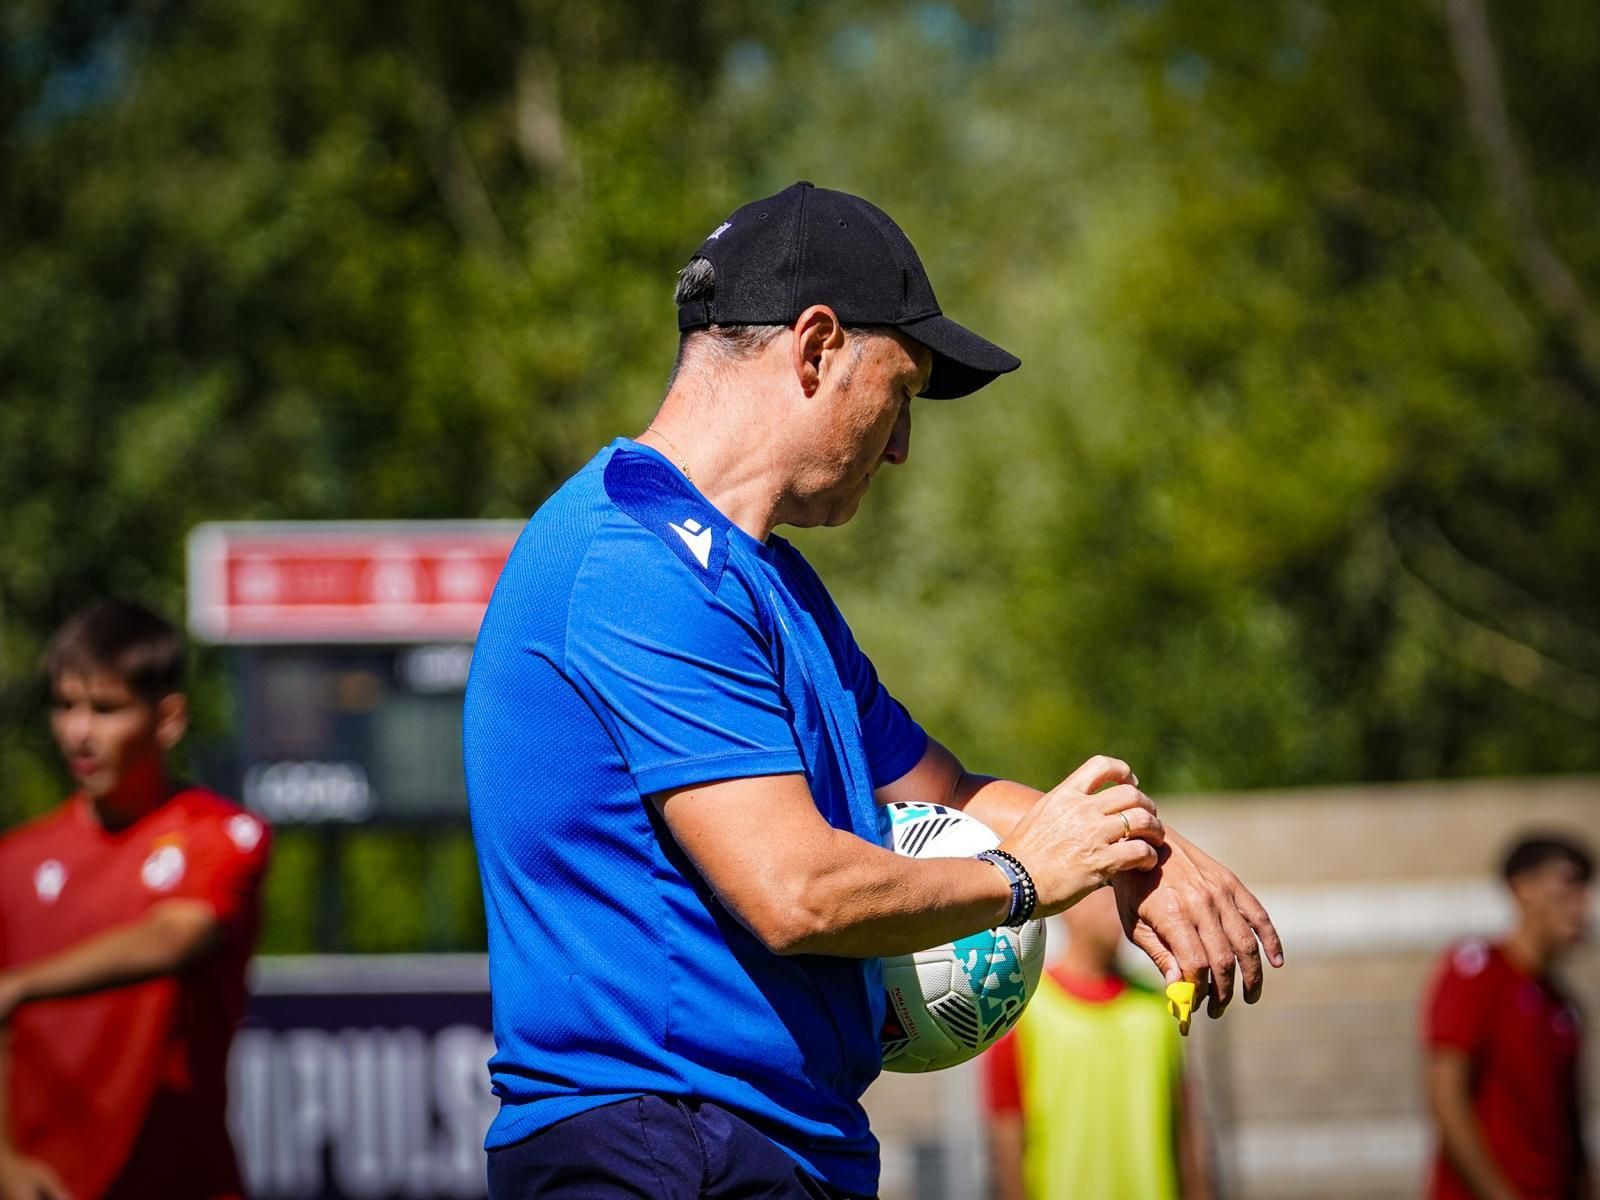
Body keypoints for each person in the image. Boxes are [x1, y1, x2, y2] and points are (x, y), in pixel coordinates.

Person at [464, 180, 1284, 1200]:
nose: (900, 446)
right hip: (654, 1150)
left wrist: (1134, 853)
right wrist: (1023, 881)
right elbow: (796, 892)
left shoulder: (766, 581)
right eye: (899, 395)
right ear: (813, 348)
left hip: (766, 1145)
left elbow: (948, 793)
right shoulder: (629, 561)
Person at [0, 600, 271, 1200]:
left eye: (105, 708)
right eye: (65, 705)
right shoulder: (12, 861)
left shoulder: (224, 835)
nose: (78, 731)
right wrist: (4, 1161)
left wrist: (20, 985)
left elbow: (175, 935)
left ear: (168, 718)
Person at [982, 886, 1213, 1200]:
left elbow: (1185, 1127)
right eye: (1105, 888)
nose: (1118, 901)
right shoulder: (1024, 1010)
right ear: (1068, 902)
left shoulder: (1159, 1006)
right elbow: (1007, 1137)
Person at [1422, 832, 1593, 1200]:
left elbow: (1569, 1126)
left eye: (1585, 890)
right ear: (1522, 888)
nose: (1582, 905)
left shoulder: (1563, 1004)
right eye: (1567, 886)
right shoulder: (1476, 970)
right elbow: (1446, 1095)